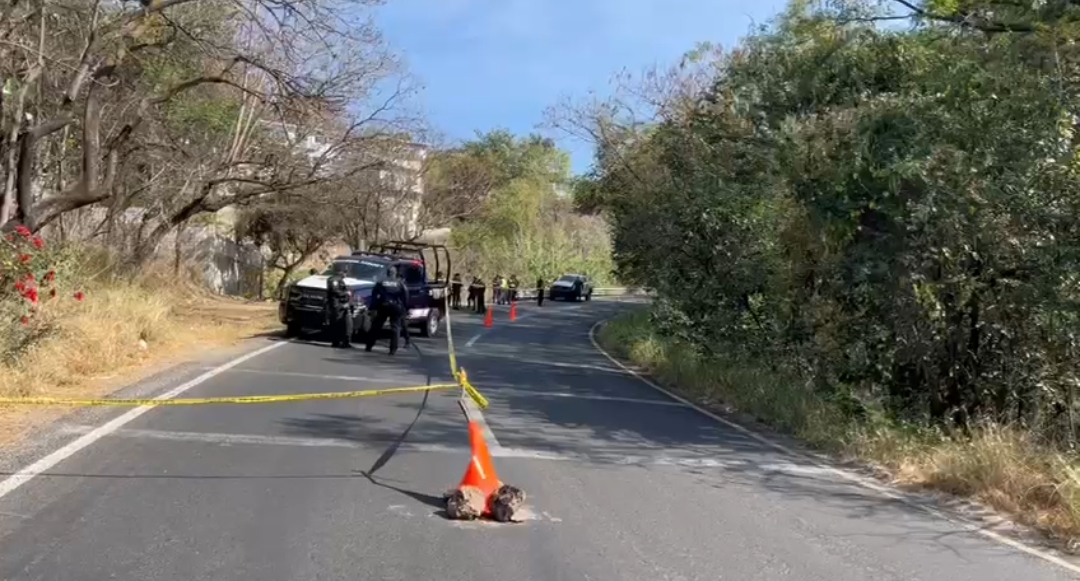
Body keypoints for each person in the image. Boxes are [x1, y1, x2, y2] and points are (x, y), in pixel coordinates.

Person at [365, 266, 407, 355]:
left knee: (376, 326)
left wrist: (373, 307)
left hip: (383, 306)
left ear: (387, 273)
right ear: (395, 273)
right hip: (396, 306)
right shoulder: (400, 283)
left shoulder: (381, 282)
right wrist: (404, 307)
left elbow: (374, 294)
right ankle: (393, 350)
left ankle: (369, 346)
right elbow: (405, 295)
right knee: (395, 328)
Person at [324, 271, 353, 348]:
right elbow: (334, 291)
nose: (346, 275)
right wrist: (346, 293)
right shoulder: (334, 279)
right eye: (345, 273)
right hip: (337, 305)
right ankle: (335, 341)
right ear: (341, 272)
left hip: (342, 304)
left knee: (345, 323)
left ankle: (345, 342)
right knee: (337, 323)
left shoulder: (340, 280)